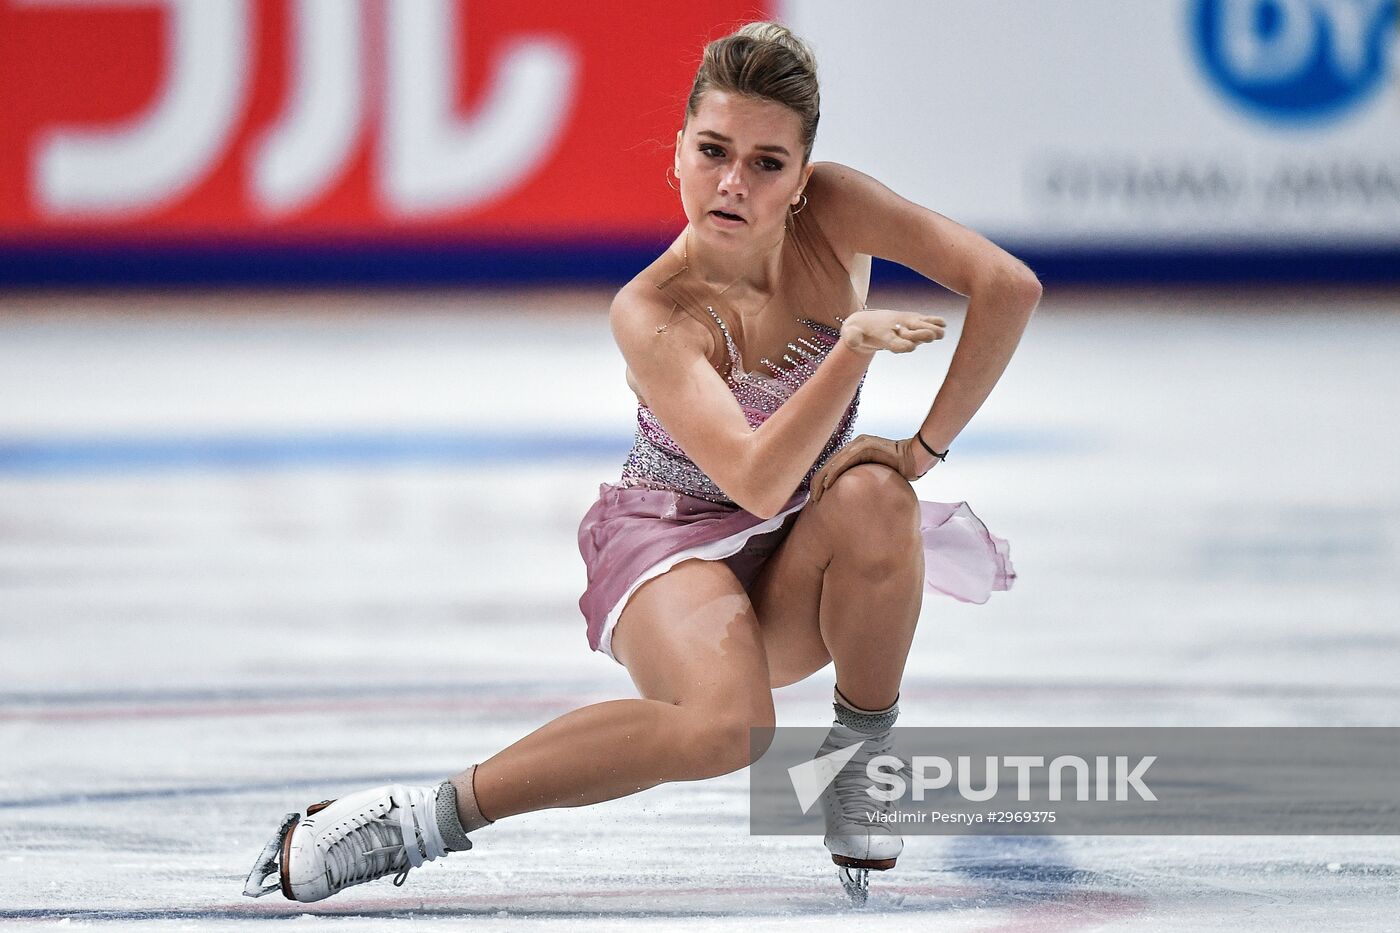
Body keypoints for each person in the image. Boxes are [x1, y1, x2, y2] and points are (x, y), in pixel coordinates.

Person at [244, 20, 1037, 905]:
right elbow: (755, 480)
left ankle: (858, 762)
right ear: (679, 152)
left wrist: (920, 450)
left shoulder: (839, 211)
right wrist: (850, 349)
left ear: (803, 179)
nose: (733, 183)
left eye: (767, 164)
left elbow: (1007, 286)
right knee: (726, 731)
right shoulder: (652, 309)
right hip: (673, 547)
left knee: (879, 497)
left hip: (797, 554)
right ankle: (419, 818)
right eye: (714, 151)